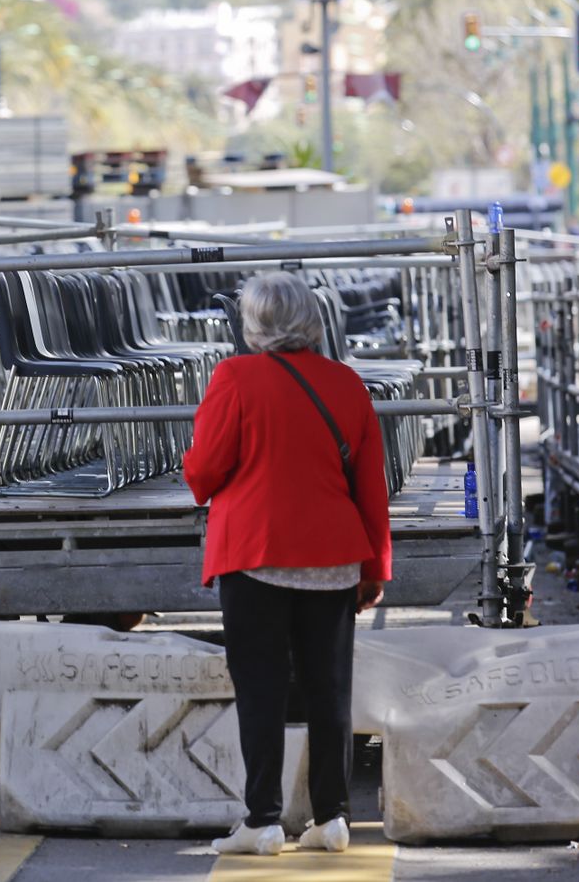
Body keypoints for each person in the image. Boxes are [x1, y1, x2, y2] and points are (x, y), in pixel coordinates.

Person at [183, 272, 391, 857]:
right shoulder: (347, 383)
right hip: (332, 557)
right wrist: (374, 565)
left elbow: (203, 474)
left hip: (255, 554)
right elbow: (369, 486)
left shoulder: (235, 377)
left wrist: (193, 455)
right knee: (329, 690)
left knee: (261, 689)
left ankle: (263, 819)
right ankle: (332, 817)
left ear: (253, 322)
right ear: (311, 319)